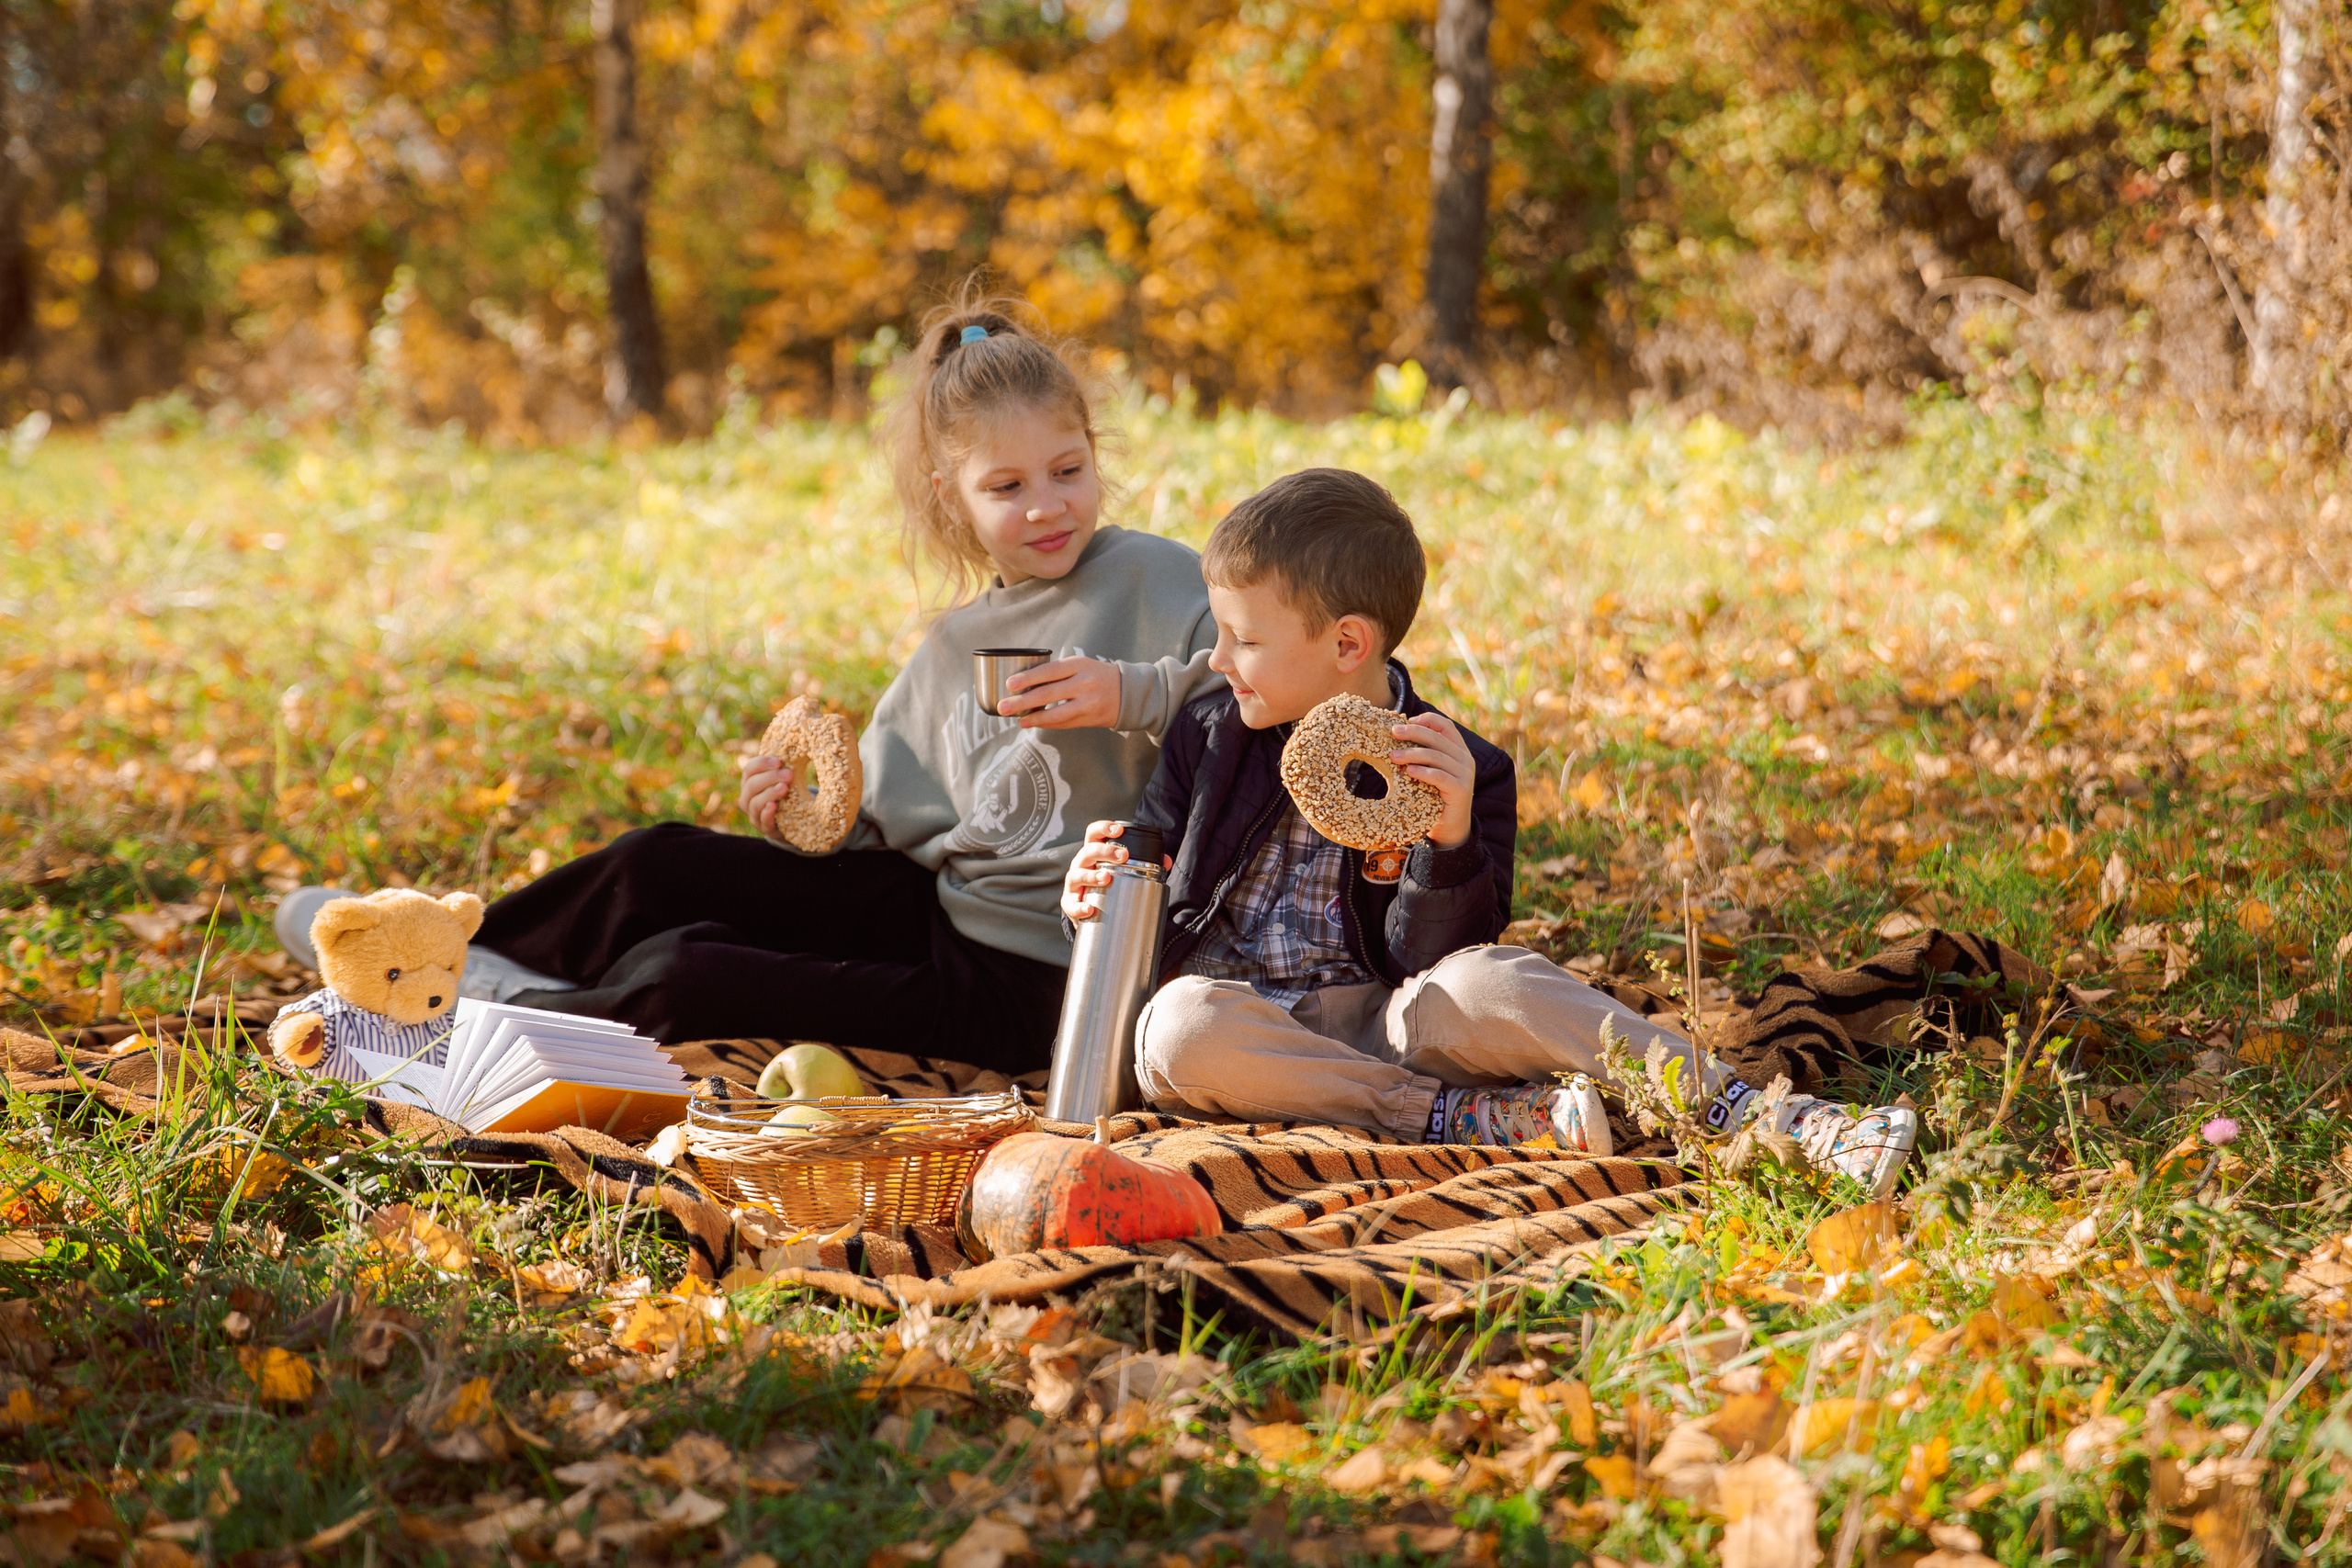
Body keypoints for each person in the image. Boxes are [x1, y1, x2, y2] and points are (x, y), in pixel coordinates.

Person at [278, 288, 1219, 1075]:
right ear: (953, 497)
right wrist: (801, 817)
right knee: (657, 864)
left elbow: (1260, 705)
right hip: (942, 910)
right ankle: (427, 950)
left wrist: (1132, 695)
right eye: (1007, 487)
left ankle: (468, 1027)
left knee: (688, 974)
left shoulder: (1161, 579)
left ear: (1094, 454)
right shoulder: (956, 644)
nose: (1047, 506)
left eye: (1067, 470)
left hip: (1047, 981)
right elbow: (891, 825)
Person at [1060, 468, 1917, 1190]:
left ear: (1348, 643)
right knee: (1176, 1027)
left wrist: (1449, 841)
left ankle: (1767, 1116)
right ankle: (1455, 1117)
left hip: (1391, 1019)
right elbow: (1155, 889)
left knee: (1495, 979)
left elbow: (1436, 963)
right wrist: (1095, 898)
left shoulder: (1460, 767)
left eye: (1242, 639)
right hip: (1241, 1031)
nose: (1216, 660)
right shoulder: (1212, 735)